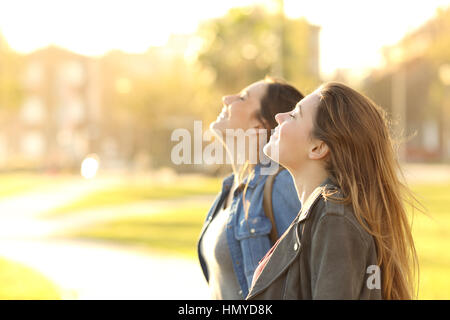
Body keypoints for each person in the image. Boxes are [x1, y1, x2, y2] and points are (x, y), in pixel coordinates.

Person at [248, 82, 419, 300]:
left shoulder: (333, 216)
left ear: (318, 148)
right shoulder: (319, 214)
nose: (280, 116)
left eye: (294, 115)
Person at [197, 77, 304, 299]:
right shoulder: (230, 189)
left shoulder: (280, 186)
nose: (226, 99)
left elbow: (304, 282)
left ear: (261, 125)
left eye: (243, 97)